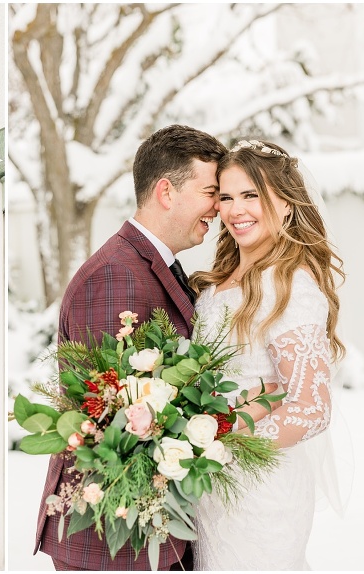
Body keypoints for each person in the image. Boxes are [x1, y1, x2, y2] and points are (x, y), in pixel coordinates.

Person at [34, 125, 227, 571]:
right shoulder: (116, 275)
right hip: (116, 535)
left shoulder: (151, 263)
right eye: (210, 192)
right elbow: (108, 415)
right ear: (166, 191)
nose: (218, 207)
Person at [189, 139, 345, 570]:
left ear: (287, 204)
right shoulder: (221, 279)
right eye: (226, 197)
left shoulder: (289, 284)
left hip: (260, 490)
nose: (236, 210)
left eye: (251, 195)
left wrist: (225, 447)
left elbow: (311, 407)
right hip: (210, 489)